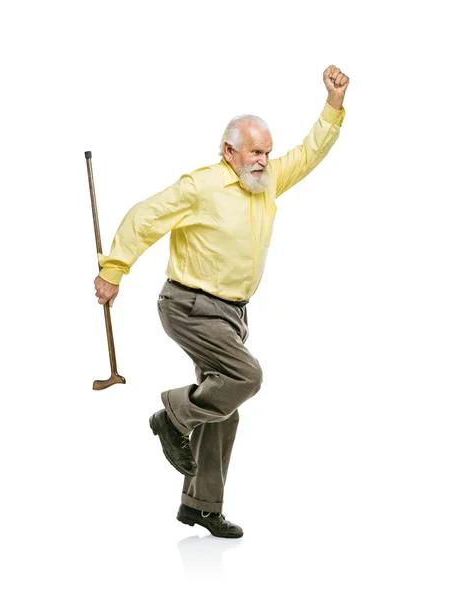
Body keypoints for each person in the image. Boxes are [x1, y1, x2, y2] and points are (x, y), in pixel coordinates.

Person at [94, 64, 350, 538]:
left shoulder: (267, 180)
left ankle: (201, 506)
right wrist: (114, 269)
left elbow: (309, 154)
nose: (264, 160)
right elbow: (145, 216)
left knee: (223, 406)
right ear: (229, 150)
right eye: (255, 151)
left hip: (231, 314)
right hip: (189, 306)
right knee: (245, 376)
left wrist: (333, 105)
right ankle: (171, 415)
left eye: (268, 153)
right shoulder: (203, 186)